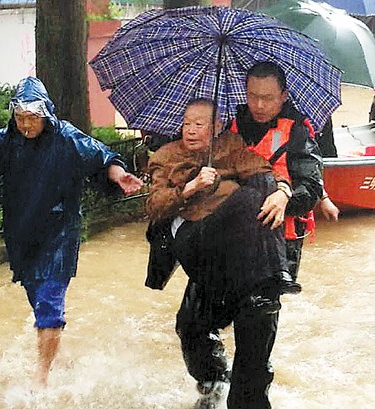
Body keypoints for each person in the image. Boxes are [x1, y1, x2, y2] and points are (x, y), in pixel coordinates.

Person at [0, 76, 143, 389]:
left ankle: (40, 380)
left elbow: (102, 157)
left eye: (32, 118)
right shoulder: (7, 140)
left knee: (49, 303)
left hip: (59, 234)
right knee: (38, 300)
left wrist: (119, 175)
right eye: (20, 118)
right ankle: (57, 353)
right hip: (22, 234)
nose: (26, 125)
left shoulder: (66, 138)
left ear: (46, 115)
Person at [146, 98, 298, 409]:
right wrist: (188, 188)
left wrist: (282, 192)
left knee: (261, 188)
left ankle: (273, 280)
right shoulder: (166, 156)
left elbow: (263, 170)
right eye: (186, 123)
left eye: (199, 124)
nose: (190, 130)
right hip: (192, 236)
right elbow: (153, 206)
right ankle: (274, 276)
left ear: (216, 127)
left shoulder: (230, 145)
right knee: (247, 201)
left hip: (230, 247)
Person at [227, 61, 327, 288]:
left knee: (261, 310)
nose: (259, 105)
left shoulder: (297, 132)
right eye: (252, 96)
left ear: (283, 96)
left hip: (281, 238)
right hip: (235, 232)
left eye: (268, 98)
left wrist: (284, 197)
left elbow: (311, 189)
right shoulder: (231, 128)